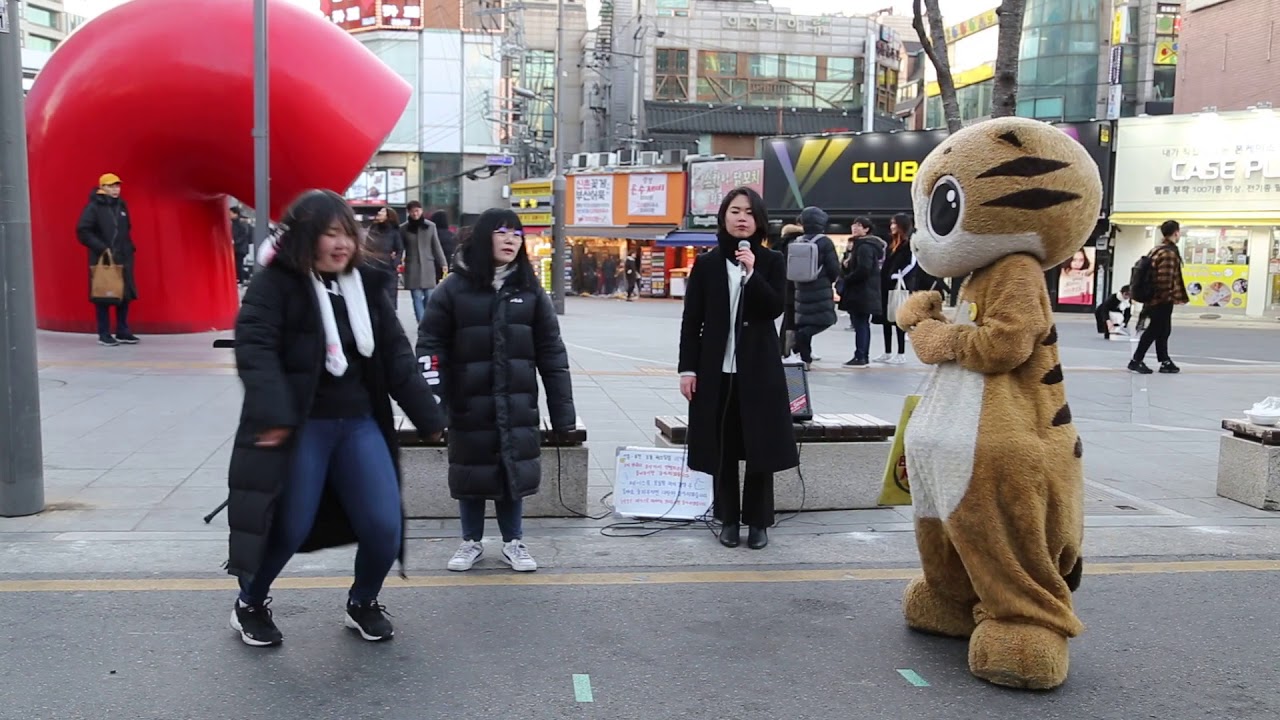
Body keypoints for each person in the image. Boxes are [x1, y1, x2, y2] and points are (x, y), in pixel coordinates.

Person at [225, 189, 446, 647]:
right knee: (289, 524)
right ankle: (250, 601)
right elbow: (255, 347)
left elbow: (395, 355)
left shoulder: (364, 282)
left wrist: (430, 416)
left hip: (360, 423)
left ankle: (363, 601)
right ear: (307, 237)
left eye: (348, 232)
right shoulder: (277, 283)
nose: (343, 243)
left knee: (384, 527)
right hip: (300, 425)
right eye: (330, 234)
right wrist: (274, 412)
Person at [416, 208, 576, 573]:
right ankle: (470, 541)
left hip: (517, 402)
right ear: (483, 236)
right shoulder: (452, 288)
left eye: (517, 235)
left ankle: (513, 542)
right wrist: (432, 406)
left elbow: (553, 354)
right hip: (468, 403)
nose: (511, 240)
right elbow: (429, 346)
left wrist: (563, 415)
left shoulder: (531, 290)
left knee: (511, 474)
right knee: (471, 472)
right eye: (503, 233)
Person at [677, 187, 799, 550]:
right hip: (717, 371)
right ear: (724, 217)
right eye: (734, 211)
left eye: (748, 212)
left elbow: (775, 307)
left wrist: (752, 272)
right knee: (724, 448)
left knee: (759, 446)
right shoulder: (707, 264)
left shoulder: (772, 261)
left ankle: (758, 522)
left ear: (758, 220)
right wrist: (688, 369)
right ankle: (728, 519)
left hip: (759, 371)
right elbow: (691, 321)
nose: (741, 217)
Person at [76, 173, 139, 347]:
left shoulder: (122, 205)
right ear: (102, 188)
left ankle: (122, 331)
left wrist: (129, 247)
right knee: (103, 294)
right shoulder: (94, 207)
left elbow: (127, 228)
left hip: (123, 256)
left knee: (124, 294)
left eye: (117, 186)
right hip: (103, 259)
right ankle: (104, 333)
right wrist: (102, 248)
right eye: (111, 186)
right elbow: (83, 231)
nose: (115, 189)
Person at [1129, 220, 1188, 374]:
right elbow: (1164, 280)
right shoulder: (1168, 253)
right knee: (1154, 330)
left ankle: (1165, 361)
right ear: (1176, 233)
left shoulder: (1157, 249)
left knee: (1164, 330)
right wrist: (1167, 298)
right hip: (1161, 300)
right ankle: (1136, 360)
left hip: (1153, 298)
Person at [789, 207, 841, 370]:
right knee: (826, 320)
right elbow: (834, 269)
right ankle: (798, 342)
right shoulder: (824, 242)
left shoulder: (797, 241)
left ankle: (805, 358)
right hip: (820, 287)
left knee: (805, 322)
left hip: (800, 288)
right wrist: (830, 280)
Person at [838, 217, 886, 367]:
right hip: (863, 291)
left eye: (859, 225)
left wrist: (847, 279)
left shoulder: (865, 246)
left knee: (861, 324)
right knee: (862, 324)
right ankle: (862, 355)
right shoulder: (857, 245)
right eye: (854, 224)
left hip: (862, 292)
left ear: (866, 229)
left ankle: (861, 356)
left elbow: (863, 270)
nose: (855, 227)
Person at [874, 213, 914, 364]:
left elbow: (912, 263)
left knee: (898, 319)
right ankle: (887, 351)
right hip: (887, 285)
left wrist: (900, 275)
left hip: (899, 285)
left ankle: (901, 352)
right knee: (887, 318)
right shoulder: (891, 244)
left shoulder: (908, 243)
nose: (892, 227)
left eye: (895, 224)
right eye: (891, 224)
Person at [401, 201, 449, 323]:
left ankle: (426, 320)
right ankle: (422, 324)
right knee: (416, 297)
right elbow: (400, 247)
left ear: (421, 211)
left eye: (417, 210)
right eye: (412, 211)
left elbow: (436, 246)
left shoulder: (430, 226)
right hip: (412, 267)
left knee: (429, 296)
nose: (415, 213)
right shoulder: (403, 228)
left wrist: (443, 263)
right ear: (408, 212)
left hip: (428, 266)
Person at [365, 206, 404, 308]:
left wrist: (395, 263)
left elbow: (399, 249)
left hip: (388, 267)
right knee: (373, 298)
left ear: (388, 216)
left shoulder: (394, 232)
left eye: (382, 212)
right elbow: (367, 246)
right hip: (372, 266)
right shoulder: (372, 228)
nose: (379, 213)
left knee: (389, 298)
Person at [229, 205, 252, 285]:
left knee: (239, 264)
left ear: (236, 214)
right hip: (237, 247)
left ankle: (241, 279)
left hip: (240, 248)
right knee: (237, 264)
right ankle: (242, 278)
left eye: (231, 213)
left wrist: (235, 242)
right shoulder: (234, 223)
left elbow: (243, 235)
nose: (229, 215)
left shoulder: (241, 223)